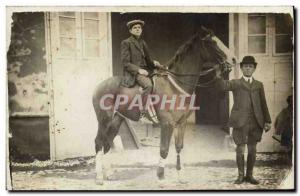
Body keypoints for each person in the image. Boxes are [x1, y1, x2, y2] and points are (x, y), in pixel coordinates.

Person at [218, 56, 272, 185]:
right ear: (241, 68)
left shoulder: (259, 85)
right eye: (245, 66)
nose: (248, 68)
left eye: (251, 66)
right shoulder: (236, 83)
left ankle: (250, 175)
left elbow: (263, 103)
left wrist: (267, 120)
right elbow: (222, 86)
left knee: (252, 149)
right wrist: (223, 72)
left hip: (256, 121)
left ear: (254, 69)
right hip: (240, 122)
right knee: (240, 149)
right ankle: (240, 176)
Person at [120, 19, 162, 97]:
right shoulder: (126, 43)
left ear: (141, 30)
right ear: (130, 30)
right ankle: (143, 108)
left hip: (146, 70)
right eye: (135, 28)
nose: (137, 29)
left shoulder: (143, 43)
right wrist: (139, 70)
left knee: (161, 80)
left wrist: (154, 63)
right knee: (148, 85)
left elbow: (148, 61)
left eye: (139, 27)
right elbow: (125, 63)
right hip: (134, 73)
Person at [275, 95, 293, 166]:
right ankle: (289, 163)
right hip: (288, 133)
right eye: (291, 102)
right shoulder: (285, 111)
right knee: (288, 149)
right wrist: (279, 131)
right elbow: (278, 121)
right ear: (289, 102)